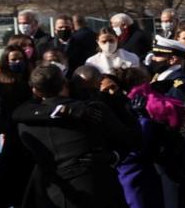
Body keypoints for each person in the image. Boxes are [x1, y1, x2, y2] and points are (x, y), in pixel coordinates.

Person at [14, 63, 137, 208]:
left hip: (52, 193)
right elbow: (131, 138)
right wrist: (113, 156)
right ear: (65, 83)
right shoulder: (92, 112)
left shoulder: (25, 123)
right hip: (96, 187)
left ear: (35, 90)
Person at [0, 44, 35, 208]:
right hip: (13, 136)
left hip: (33, 134)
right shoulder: (0, 84)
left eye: (20, 58)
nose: (17, 62)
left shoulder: (32, 80)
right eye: (13, 59)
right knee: (9, 176)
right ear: (6, 61)